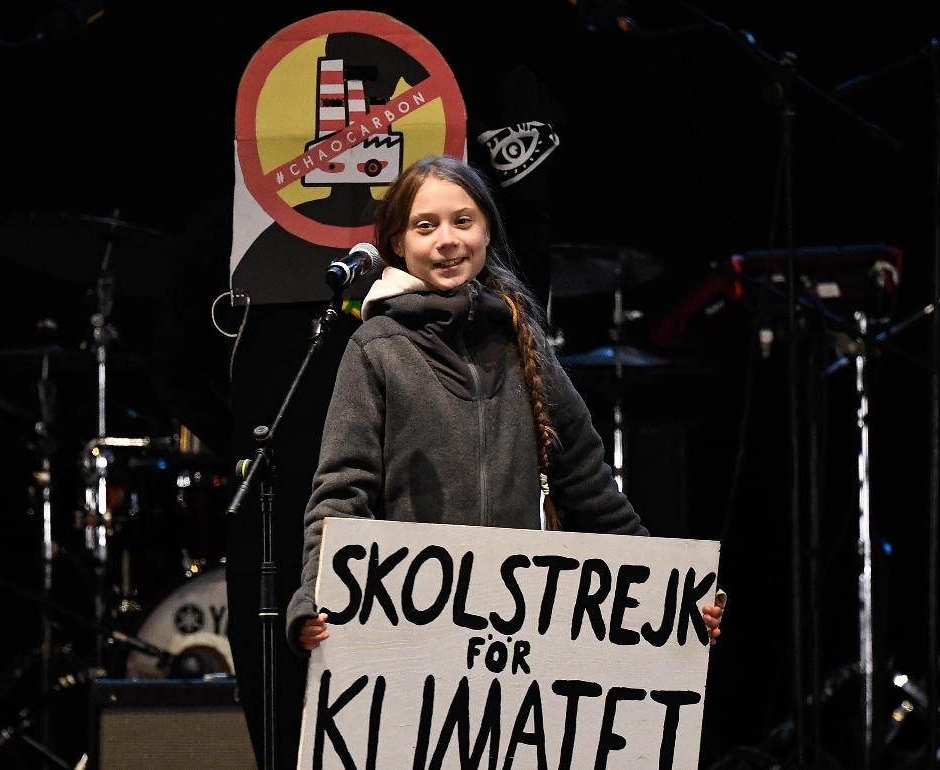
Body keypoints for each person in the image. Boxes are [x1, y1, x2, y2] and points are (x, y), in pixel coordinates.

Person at [285, 154, 725, 652]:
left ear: (488, 231)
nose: (447, 239)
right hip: (409, 629)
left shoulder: (524, 344)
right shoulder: (377, 347)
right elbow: (343, 492)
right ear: (397, 245)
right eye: (425, 226)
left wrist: (671, 601)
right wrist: (315, 598)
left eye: (463, 221)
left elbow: (591, 489)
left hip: (511, 636)